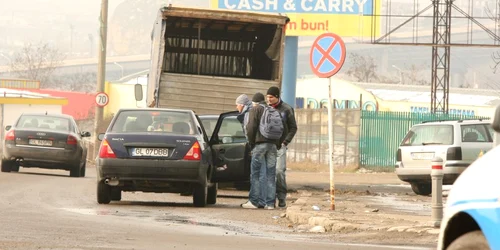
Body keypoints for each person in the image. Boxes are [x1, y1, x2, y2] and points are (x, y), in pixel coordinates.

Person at [241, 100, 284, 210]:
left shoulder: (255, 109)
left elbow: (250, 127)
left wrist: (251, 143)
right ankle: (270, 203)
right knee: (271, 175)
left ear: (255, 102)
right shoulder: (273, 110)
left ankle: (254, 202)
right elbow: (283, 128)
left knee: (255, 174)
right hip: (273, 145)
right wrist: (278, 144)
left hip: (259, 145)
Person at [266, 86, 298, 208]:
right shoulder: (265, 108)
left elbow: (293, 127)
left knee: (279, 171)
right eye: (267, 97)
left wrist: (285, 142)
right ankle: (270, 198)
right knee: (269, 173)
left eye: (271, 97)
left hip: (280, 146)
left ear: (277, 97)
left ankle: (281, 197)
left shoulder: (286, 109)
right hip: (267, 145)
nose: (269, 99)